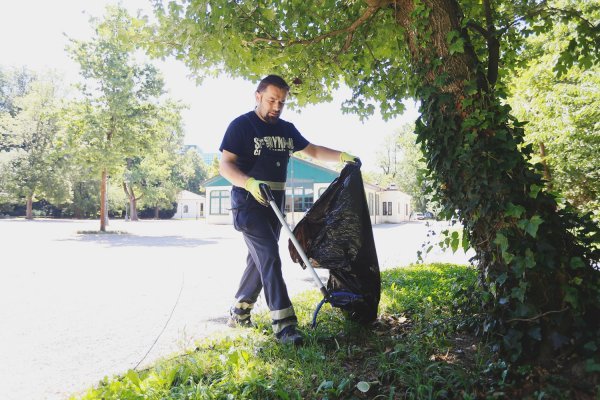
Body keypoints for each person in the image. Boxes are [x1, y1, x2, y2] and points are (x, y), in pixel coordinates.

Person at [219, 74, 358, 345]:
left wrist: (342, 156)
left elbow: (314, 151)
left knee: (259, 260)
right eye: (271, 100)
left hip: (275, 204)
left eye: (282, 102)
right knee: (269, 255)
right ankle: (284, 325)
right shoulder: (241, 126)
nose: (276, 107)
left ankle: (239, 312)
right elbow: (225, 166)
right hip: (249, 203)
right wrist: (249, 183)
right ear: (257, 96)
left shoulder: (285, 129)